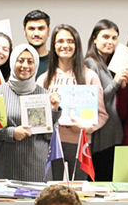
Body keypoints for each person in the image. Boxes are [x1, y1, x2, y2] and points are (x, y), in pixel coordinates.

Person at [37, 24, 108, 180]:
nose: (65, 45)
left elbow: (102, 114)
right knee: (53, 190)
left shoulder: (90, 76)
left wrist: (86, 128)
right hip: (51, 145)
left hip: (80, 145)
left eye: (70, 41)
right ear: (54, 45)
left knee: (78, 190)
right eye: (60, 41)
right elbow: (37, 118)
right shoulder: (43, 79)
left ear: (77, 45)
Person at [0, 44, 61, 182]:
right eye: (20, 60)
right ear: (12, 62)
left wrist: (53, 110)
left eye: (30, 61)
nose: (25, 65)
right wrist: (12, 132)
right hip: (6, 162)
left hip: (37, 165)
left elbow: (50, 136)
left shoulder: (44, 94)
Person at [83, 19, 123, 183]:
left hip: (112, 134)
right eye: (105, 37)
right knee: (99, 186)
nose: (110, 42)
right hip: (100, 137)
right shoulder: (90, 63)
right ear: (94, 39)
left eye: (114, 38)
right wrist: (116, 82)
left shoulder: (110, 64)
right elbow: (94, 102)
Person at [23, 10, 51, 78]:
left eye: (41, 28)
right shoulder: (17, 61)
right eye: (31, 29)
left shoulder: (58, 61)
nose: (36, 33)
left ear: (48, 31)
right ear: (25, 32)